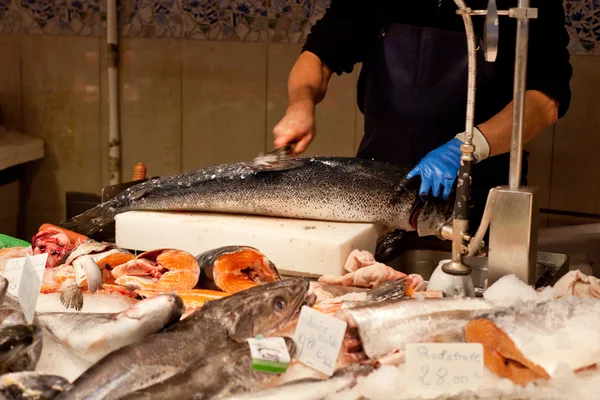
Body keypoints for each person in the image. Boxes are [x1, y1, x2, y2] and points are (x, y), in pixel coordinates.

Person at [272, 0, 572, 234]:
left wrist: (466, 147)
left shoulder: (521, 4)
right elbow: (319, 56)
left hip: (482, 198)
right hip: (378, 187)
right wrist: (300, 104)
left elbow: (545, 100)